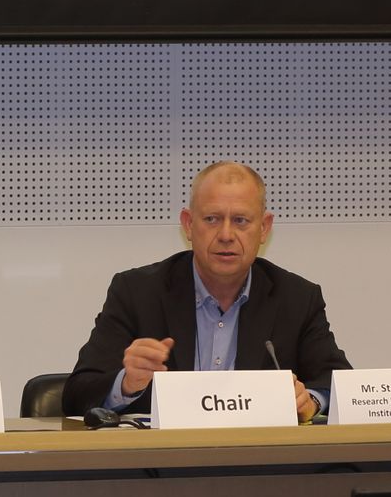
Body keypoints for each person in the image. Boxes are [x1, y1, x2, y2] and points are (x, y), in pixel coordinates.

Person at [63, 161, 349, 422]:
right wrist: (127, 384)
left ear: (263, 228)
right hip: (161, 468)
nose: (226, 235)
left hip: (260, 467)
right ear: (188, 224)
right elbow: (76, 395)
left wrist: (309, 400)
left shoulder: (296, 297)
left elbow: (339, 385)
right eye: (212, 219)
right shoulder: (137, 292)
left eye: (241, 221)